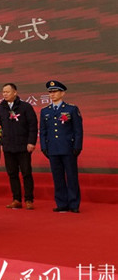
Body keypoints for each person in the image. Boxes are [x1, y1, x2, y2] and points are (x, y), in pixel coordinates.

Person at [39, 80, 83, 213]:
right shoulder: (45, 111)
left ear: (62, 93)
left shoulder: (71, 109)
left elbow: (78, 130)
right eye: (50, 92)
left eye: (55, 92)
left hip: (68, 148)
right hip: (53, 148)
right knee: (57, 177)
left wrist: (77, 146)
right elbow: (43, 131)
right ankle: (61, 203)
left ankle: (74, 203)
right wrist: (43, 147)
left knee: (71, 177)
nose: (52, 94)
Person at [0, 83, 38, 210]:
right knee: (12, 174)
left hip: (23, 146)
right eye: (3, 92)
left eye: (7, 92)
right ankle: (16, 199)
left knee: (26, 173)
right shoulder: (0, 108)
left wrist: (31, 142)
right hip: (8, 146)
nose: (5, 94)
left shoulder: (25, 107)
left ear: (15, 92)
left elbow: (33, 126)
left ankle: (29, 199)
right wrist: (0, 143)